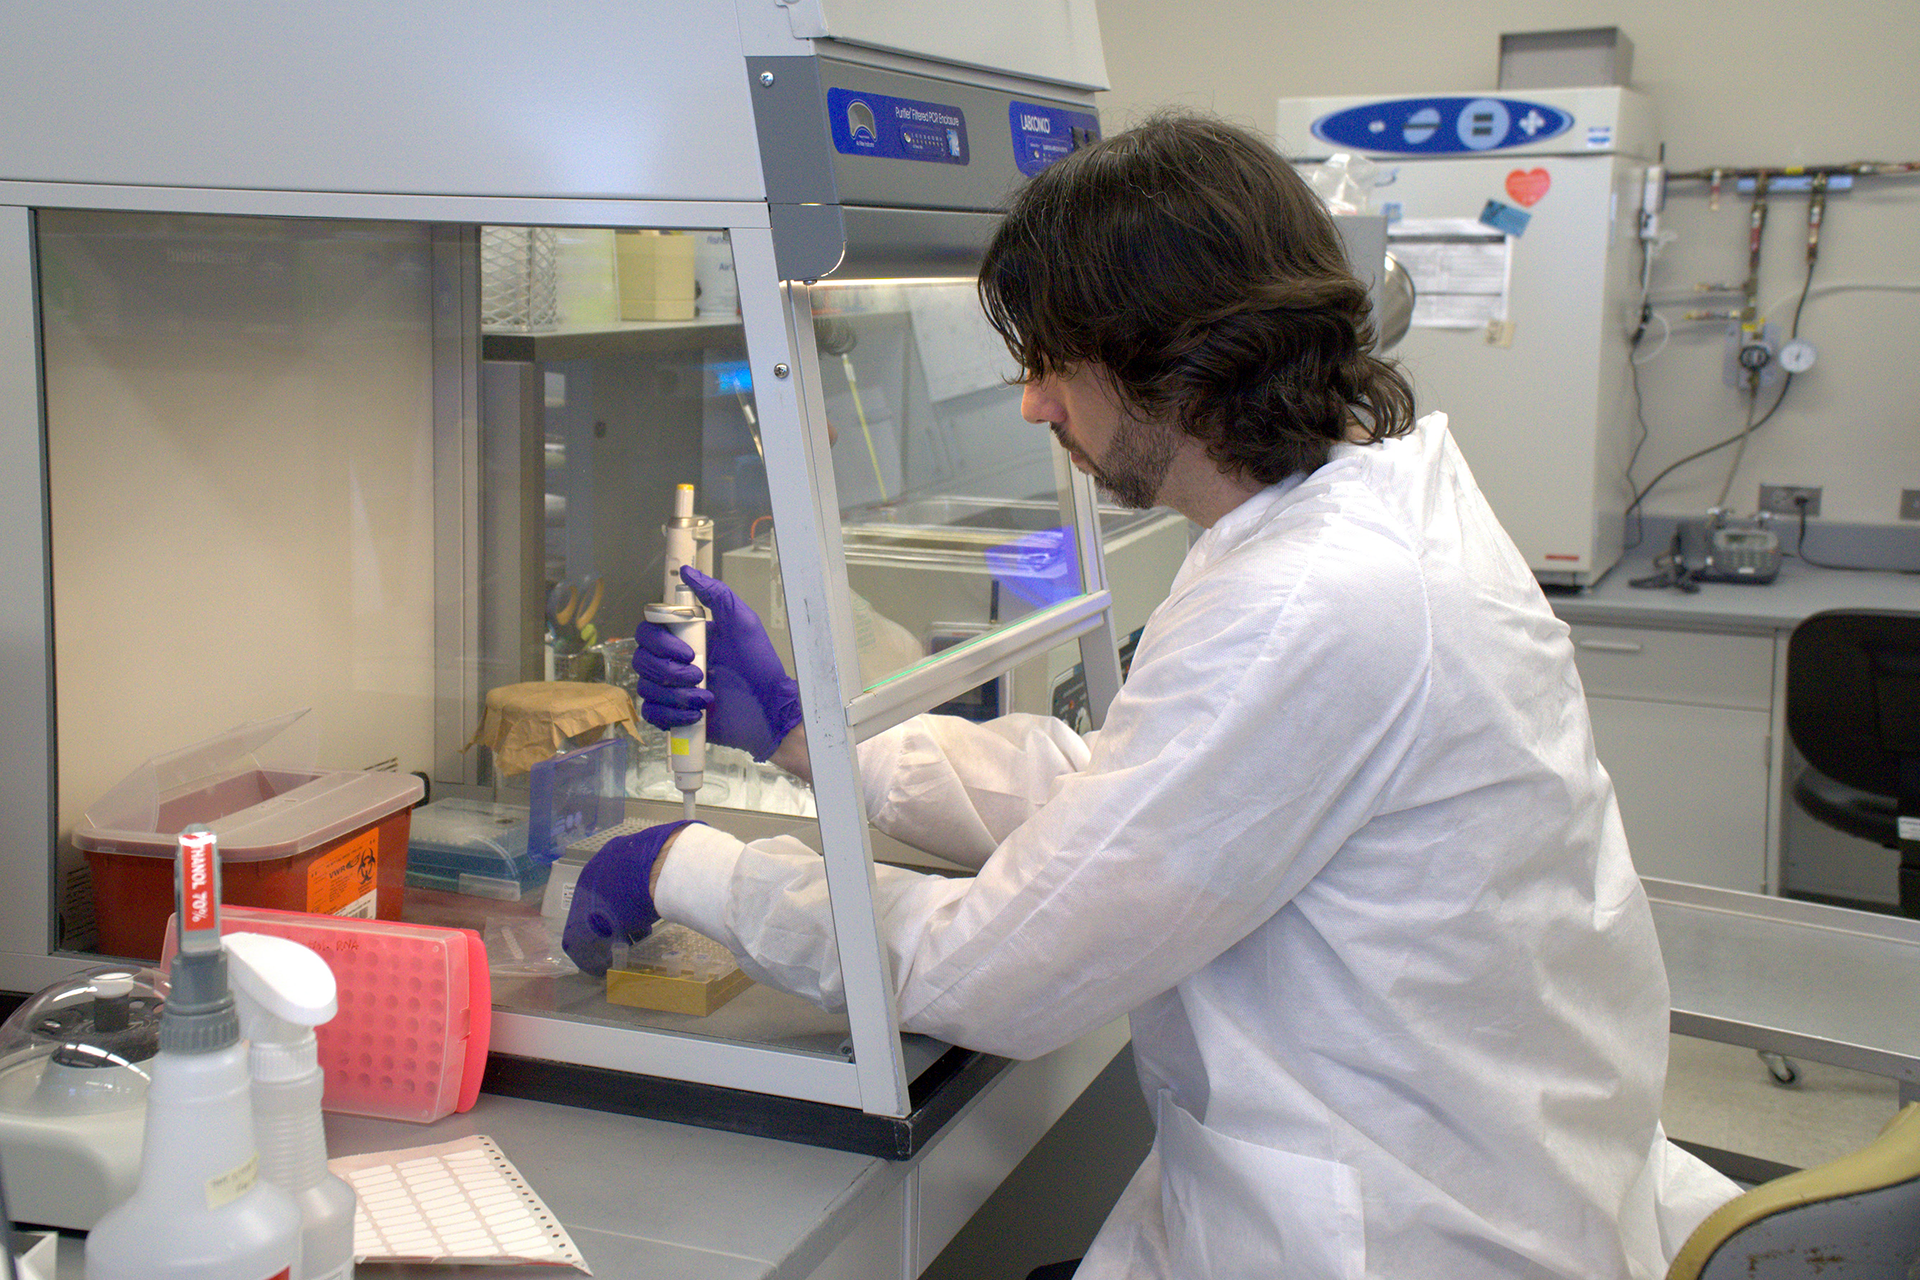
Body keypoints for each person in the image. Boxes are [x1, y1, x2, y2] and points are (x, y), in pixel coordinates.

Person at [566, 112, 1740, 1278]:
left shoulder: (1313, 600)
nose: (1032, 404)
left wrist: (691, 867)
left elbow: (998, 966)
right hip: (1454, 1173)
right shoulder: (1360, 519)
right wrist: (805, 737)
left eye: (1051, 362)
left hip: (1405, 1241)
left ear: (1179, 357)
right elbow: (1135, 799)